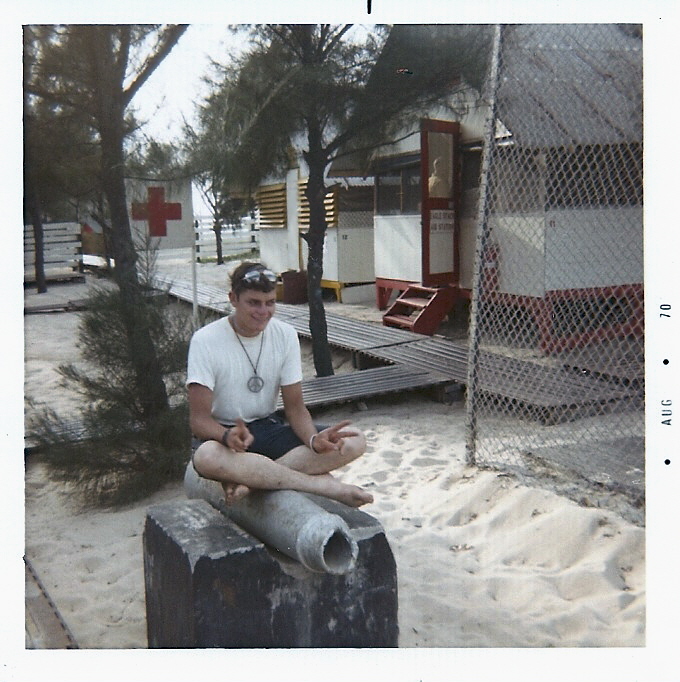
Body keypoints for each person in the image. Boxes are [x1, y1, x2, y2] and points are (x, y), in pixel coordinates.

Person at [187, 261, 373, 508]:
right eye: (254, 303)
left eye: (270, 303)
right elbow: (199, 421)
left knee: (355, 439)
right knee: (206, 456)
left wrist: (313, 439)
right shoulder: (205, 340)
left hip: (267, 428)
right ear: (233, 299)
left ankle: (252, 482)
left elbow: (295, 408)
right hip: (225, 436)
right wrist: (226, 435)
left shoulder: (285, 334)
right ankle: (324, 487)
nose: (263, 311)